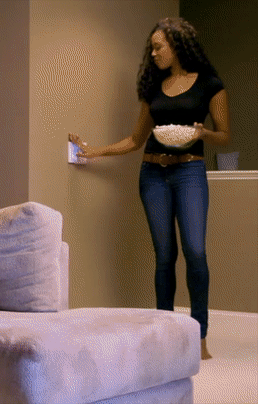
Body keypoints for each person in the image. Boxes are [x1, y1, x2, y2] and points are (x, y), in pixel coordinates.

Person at [69, 17, 230, 360]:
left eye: (158, 47)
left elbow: (225, 135)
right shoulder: (153, 88)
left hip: (189, 171)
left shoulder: (211, 85)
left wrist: (204, 134)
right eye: (152, 48)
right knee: (164, 256)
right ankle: (164, 334)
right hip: (153, 174)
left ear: (178, 45)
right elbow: (134, 140)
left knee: (195, 251)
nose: (153, 54)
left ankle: (199, 335)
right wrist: (94, 150)